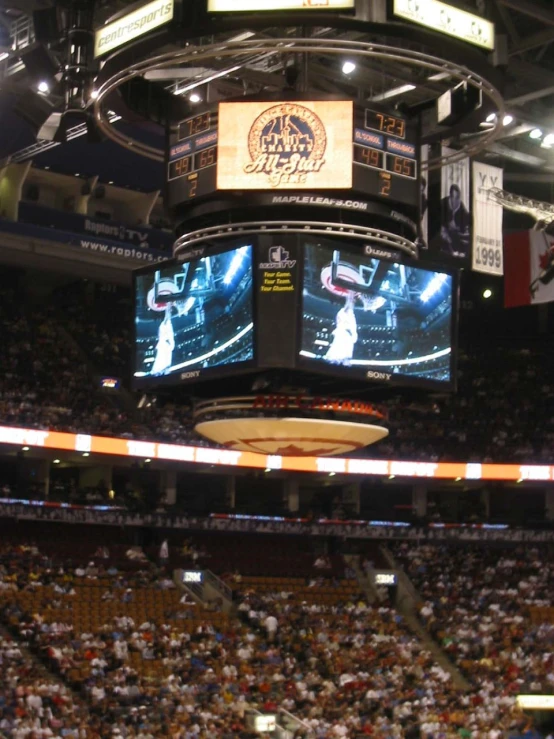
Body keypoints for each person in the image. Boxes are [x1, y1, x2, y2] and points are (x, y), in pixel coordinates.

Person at [324, 293, 358, 366]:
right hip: (343, 335)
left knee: (345, 360)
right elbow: (348, 304)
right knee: (337, 356)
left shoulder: (350, 314)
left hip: (348, 337)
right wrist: (350, 295)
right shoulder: (344, 312)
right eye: (352, 302)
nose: (353, 303)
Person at [440, 183, 470, 257]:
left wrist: (462, 252)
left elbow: (465, 235)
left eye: (458, 198)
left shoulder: (464, 212)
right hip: (441, 242)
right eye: (454, 198)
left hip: (456, 244)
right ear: (450, 197)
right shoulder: (442, 204)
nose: (456, 201)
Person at [151, 306, 175, 375]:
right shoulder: (164, 325)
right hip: (165, 344)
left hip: (167, 345)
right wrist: (168, 308)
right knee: (162, 361)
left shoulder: (166, 324)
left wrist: (168, 309)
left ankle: (161, 372)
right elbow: (167, 317)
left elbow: (167, 316)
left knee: (164, 361)